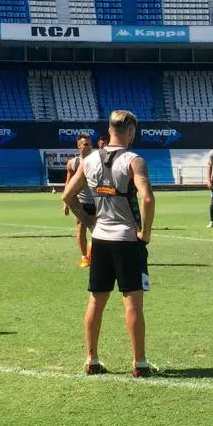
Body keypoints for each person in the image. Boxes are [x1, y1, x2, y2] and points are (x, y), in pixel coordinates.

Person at [62, 110, 158, 377]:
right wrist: (146, 233)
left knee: (96, 300)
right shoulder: (134, 160)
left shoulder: (90, 159)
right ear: (129, 132)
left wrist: (89, 222)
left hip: (100, 239)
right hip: (127, 240)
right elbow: (147, 199)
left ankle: (91, 359)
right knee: (133, 303)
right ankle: (139, 363)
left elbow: (68, 195)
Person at [62, 132, 95, 268]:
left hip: (98, 200)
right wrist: (66, 203)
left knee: (98, 229)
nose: (88, 147)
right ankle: (84, 257)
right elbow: (68, 183)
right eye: (85, 144)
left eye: (89, 144)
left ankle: (94, 251)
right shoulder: (73, 163)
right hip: (81, 201)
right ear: (79, 146)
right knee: (81, 227)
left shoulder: (97, 160)